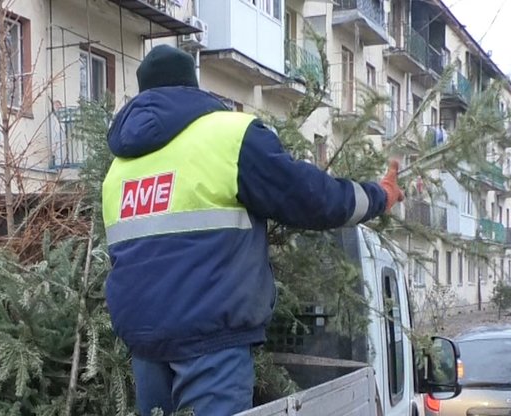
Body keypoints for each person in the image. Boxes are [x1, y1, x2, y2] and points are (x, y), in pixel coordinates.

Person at [100, 45, 404, 415]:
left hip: (145, 349)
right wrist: (379, 196)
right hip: (213, 347)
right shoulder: (229, 135)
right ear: (192, 87)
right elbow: (313, 199)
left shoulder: (118, 168)